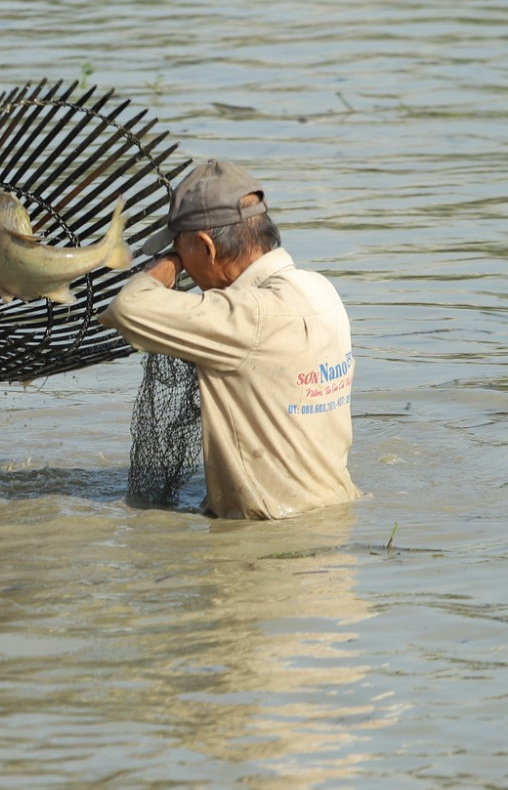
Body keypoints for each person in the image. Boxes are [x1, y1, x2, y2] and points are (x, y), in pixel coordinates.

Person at [102, 157, 358, 520]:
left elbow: (128, 307)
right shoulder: (322, 290)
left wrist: (164, 268)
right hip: (336, 523)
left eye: (179, 249)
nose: (181, 263)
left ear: (207, 247)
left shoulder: (245, 317)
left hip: (264, 543)